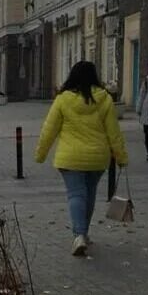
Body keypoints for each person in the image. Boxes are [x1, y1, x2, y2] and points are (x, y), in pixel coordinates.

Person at [35, 60, 128, 257]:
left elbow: (48, 130)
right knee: (89, 194)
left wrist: (40, 154)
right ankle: (84, 233)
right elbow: (114, 133)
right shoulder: (105, 99)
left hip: (70, 158)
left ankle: (79, 235)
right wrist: (121, 157)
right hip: (97, 158)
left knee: (76, 194)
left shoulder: (62, 99)